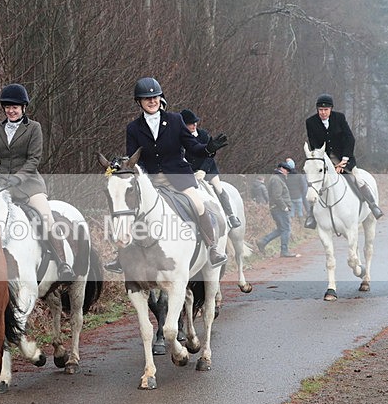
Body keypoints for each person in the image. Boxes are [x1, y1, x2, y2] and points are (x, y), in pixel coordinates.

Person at [104, 77, 228, 273]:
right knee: (128, 210)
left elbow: (192, 147)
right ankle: (121, 256)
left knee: (198, 204)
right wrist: (121, 165)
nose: (152, 101)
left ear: (160, 99)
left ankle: (212, 248)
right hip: (150, 181)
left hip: (178, 177)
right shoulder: (133, 128)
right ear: (139, 102)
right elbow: (134, 158)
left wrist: (208, 149)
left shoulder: (175, 120)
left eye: (155, 97)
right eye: (147, 98)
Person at [0, 83, 77, 282]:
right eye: (8, 107)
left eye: (15, 107)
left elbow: (34, 159)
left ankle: (62, 263)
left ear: (23, 107)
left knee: (46, 217)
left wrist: (19, 177)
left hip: (29, 184)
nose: (11, 111)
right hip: (1, 186)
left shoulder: (34, 128)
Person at [304, 94, 383, 229]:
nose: (323, 112)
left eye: (326, 110)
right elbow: (314, 144)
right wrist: (328, 163)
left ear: (331, 109)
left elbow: (349, 139)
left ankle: (372, 205)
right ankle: (312, 216)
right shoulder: (310, 122)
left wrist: (344, 161)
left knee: (357, 178)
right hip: (324, 159)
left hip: (343, 157)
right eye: (320, 110)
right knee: (315, 184)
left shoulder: (339, 118)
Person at [180, 108, 241, 228]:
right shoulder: (179, 138)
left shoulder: (203, 135)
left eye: (195, 122)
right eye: (191, 123)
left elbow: (210, 155)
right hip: (189, 172)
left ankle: (230, 216)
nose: (194, 125)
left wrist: (202, 170)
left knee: (218, 188)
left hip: (207, 169)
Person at [257, 163, 298, 258]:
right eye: (286, 170)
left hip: (277, 208)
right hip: (279, 209)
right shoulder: (276, 179)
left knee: (281, 229)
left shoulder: (277, 178)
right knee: (286, 229)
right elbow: (277, 196)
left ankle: (263, 242)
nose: (287, 172)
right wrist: (284, 207)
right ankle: (284, 251)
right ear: (282, 169)